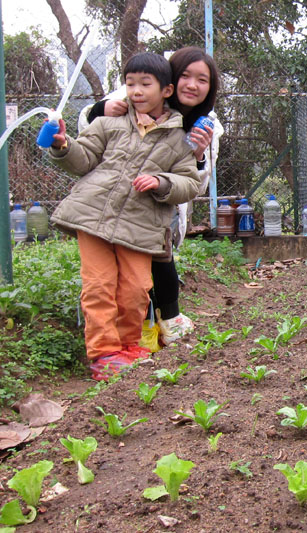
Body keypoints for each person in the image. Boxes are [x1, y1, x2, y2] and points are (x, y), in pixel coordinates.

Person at [48, 52, 202, 380]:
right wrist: (63, 145)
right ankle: (104, 354)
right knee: (99, 285)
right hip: (94, 217)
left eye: (145, 84)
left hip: (140, 225)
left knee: (135, 288)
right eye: (130, 84)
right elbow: (83, 158)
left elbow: (189, 184)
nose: (135, 91)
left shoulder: (178, 139)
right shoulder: (108, 123)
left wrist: (162, 182)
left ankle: (130, 347)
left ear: (166, 90)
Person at [84, 46, 222, 345]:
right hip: (115, 198)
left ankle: (157, 325)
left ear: (210, 89)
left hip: (160, 200)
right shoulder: (142, 93)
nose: (192, 85)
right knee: (113, 275)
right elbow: (90, 130)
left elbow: (196, 180)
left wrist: (197, 156)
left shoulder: (208, 125)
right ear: (171, 80)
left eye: (202, 80)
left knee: (155, 261)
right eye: (185, 75)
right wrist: (100, 110)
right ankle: (122, 337)